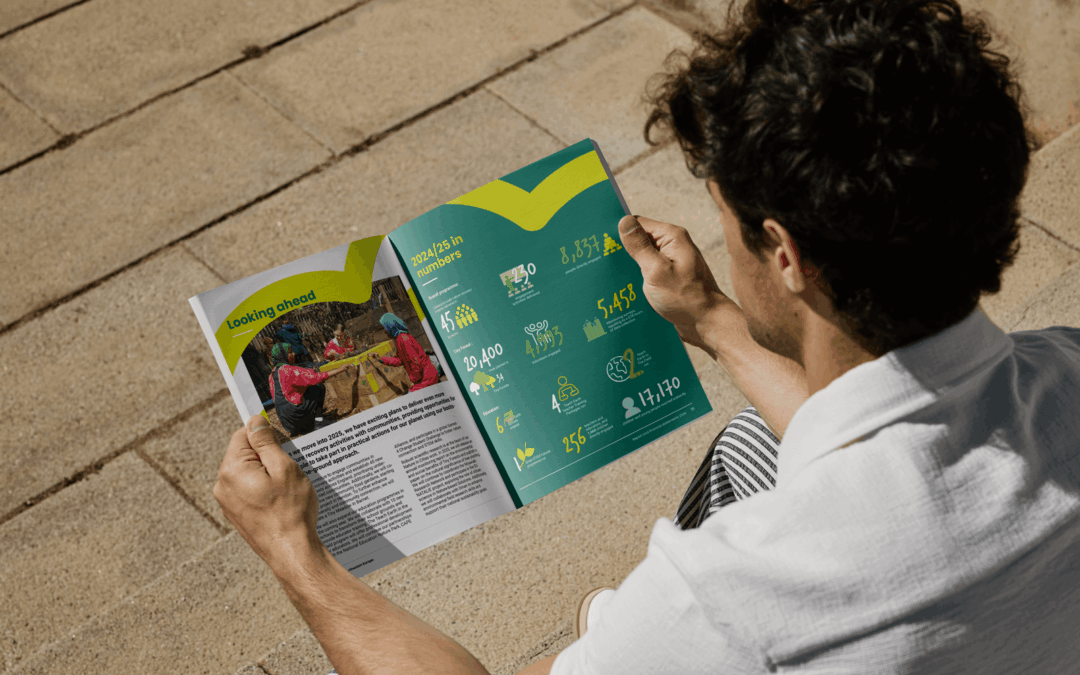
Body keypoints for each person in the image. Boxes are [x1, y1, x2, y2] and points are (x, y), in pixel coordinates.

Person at [213, 1, 1080, 673]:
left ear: (783, 252)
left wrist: (296, 551)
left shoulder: (736, 593)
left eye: (730, 220)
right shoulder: (1069, 376)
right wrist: (713, 320)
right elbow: (886, 437)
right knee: (751, 442)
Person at [268, 343, 353, 437]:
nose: (294, 354)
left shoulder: (272, 374)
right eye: (290, 352)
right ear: (282, 355)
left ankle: (299, 427)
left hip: (286, 421)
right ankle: (319, 421)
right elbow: (315, 378)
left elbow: (291, 387)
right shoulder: (287, 370)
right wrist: (340, 369)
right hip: (295, 414)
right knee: (318, 387)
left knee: (304, 390)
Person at [368, 312, 439, 392]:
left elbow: (416, 362)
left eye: (385, 327)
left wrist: (414, 380)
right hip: (424, 378)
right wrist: (380, 359)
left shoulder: (403, 339)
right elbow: (399, 360)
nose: (384, 331)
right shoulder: (399, 339)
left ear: (390, 327)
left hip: (427, 378)